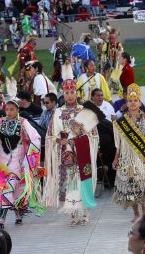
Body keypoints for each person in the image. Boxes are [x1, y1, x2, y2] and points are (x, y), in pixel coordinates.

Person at [0, 100, 44, 228]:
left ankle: (1, 218)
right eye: (7, 109)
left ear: (17, 110)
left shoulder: (23, 122)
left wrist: (30, 158)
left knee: (8, 189)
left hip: (17, 163)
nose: (9, 112)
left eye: (12, 109)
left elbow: (35, 137)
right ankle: (18, 214)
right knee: (9, 191)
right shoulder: (0, 122)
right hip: (2, 164)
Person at [43, 79, 101, 226]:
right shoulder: (58, 112)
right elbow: (51, 135)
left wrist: (79, 139)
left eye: (72, 92)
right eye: (67, 93)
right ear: (63, 93)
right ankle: (74, 215)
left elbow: (94, 135)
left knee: (84, 180)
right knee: (70, 183)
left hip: (82, 151)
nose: (69, 96)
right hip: (66, 153)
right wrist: (59, 141)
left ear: (76, 93)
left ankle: (86, 214)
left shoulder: (85, 111)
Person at [112, 83, 145, 222]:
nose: (132, 103)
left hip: (141, 154)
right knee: (130, 184)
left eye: (135, 101)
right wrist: (116, 158)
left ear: (140, 102)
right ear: (126, 103)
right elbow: (119, 142)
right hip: (126, 156)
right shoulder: (122, 121)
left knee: (142, 183)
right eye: (130, 101)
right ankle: (135, 213)